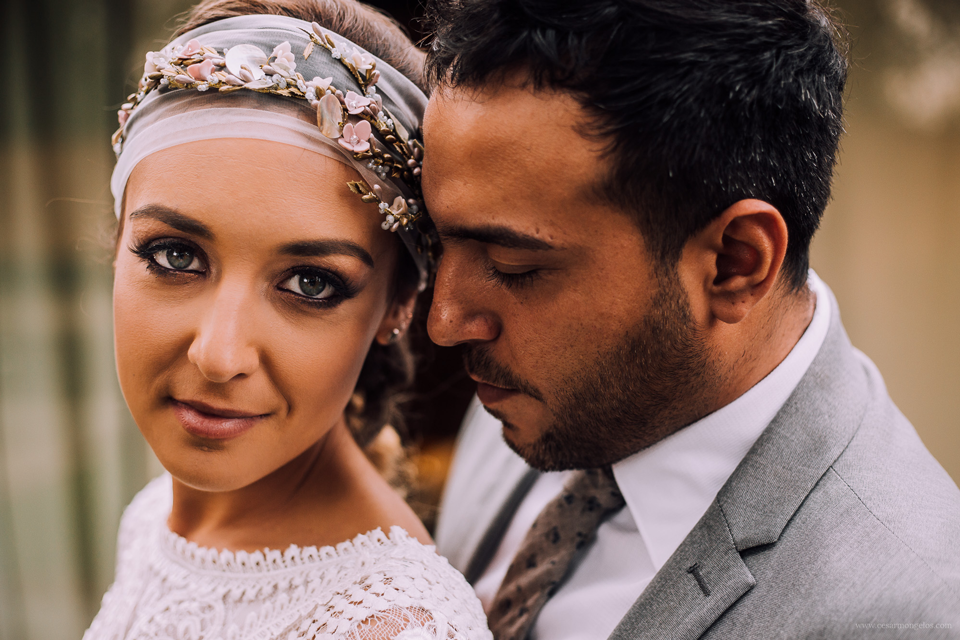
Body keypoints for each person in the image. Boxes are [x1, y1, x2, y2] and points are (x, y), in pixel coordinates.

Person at [422, 0, 960, 638]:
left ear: (735, 264)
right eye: (438, 244)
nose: (446, 321)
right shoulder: (534, 388)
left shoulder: (907, 612)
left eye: (514, 265)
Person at [85, 1, 492, 638]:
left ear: (399, 303)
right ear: (118, 246)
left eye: (310, 283)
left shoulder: (392, 625)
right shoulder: (153, 516)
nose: (219, 356)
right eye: (176, 255)